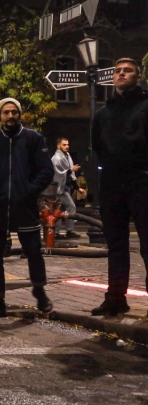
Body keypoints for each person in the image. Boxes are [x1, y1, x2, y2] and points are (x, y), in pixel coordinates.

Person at [0, 98, 54, 318]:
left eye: (14, 112)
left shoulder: (33, 138)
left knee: (33, 252)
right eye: (6, 112)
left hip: (26, 207)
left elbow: (46, 170)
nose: (10, 116)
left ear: (19, 114)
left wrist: (28, 191)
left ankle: (40, 291)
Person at [90, 57, 148, 316]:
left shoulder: (146, 106)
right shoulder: (102, 113)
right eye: (118, 71)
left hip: (142, 182)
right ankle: (115, 298)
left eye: (128, 71)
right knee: (115, 244)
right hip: (112, 184)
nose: (121, 74)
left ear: (139, 76)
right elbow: (98, 149)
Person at [49, 138, 84, 239]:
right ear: (58, 146)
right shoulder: (56, 158)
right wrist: (70, 170)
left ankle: (61, 232)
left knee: (59, 209)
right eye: (64, 145)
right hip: (57, 189)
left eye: (67, 144)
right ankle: (66, 231)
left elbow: (70, 174)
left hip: (64, 187)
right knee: (68, 207)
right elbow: (57, 174)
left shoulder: (67, 156)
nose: (67, 146)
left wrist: (78, 188)